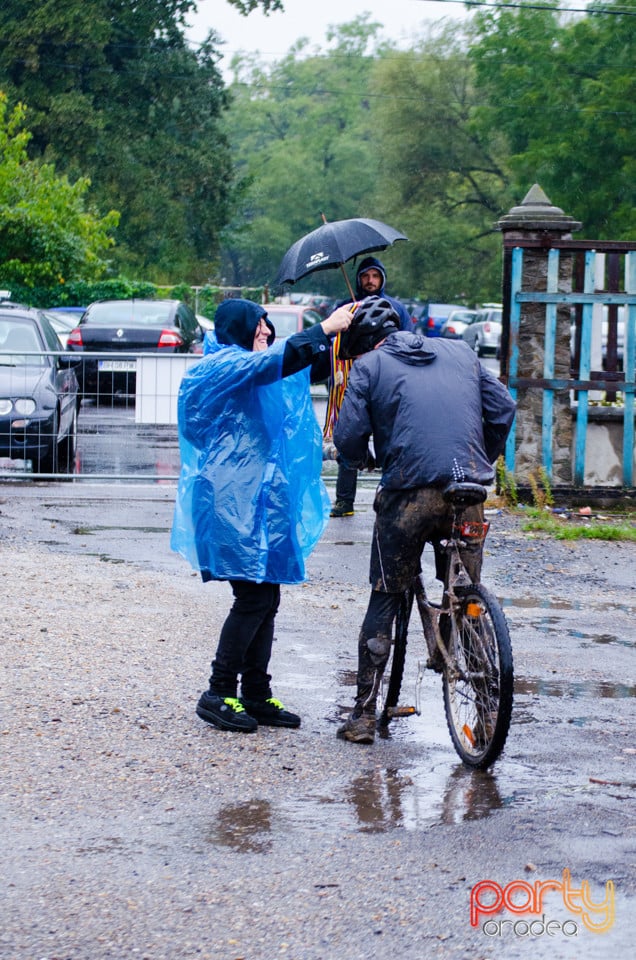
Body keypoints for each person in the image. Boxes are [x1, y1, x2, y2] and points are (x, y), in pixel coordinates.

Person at [332, 296, 516, 744]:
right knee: (465, 597)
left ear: (363, 344)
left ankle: (361, 717)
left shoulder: (368, 368)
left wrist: (368, 459)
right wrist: (479, 458)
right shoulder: (460, 351)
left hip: (409, 495)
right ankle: (483, 704)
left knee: (386, 595)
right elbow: (503, 409)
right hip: (468, 488)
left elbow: (348, 438)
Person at [171, 298, 352, 733]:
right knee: (252, 597)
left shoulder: (248, 366)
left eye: (268, 327)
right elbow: (276, 360)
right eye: (259, 326)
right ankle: (218, 692)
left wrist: (344, 340)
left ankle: (254, 691)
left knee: (267, 596)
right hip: (229, 502)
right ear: (237, 329)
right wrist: (325, 327)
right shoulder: (219, 368)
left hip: (257, 501)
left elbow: (295, 366)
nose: (266, 333)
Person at [329, 256, 413, 518]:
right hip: (353, 385)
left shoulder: (396, 309)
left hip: (387, 385)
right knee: (349, 437)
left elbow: (410, 342)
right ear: (358, 278)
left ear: (383, 278)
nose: (370, 281)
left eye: (375, 276)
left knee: (391, 440)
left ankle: (391, 497)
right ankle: (344, 501)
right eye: (365, 276)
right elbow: (333, 344)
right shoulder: (345, 308)